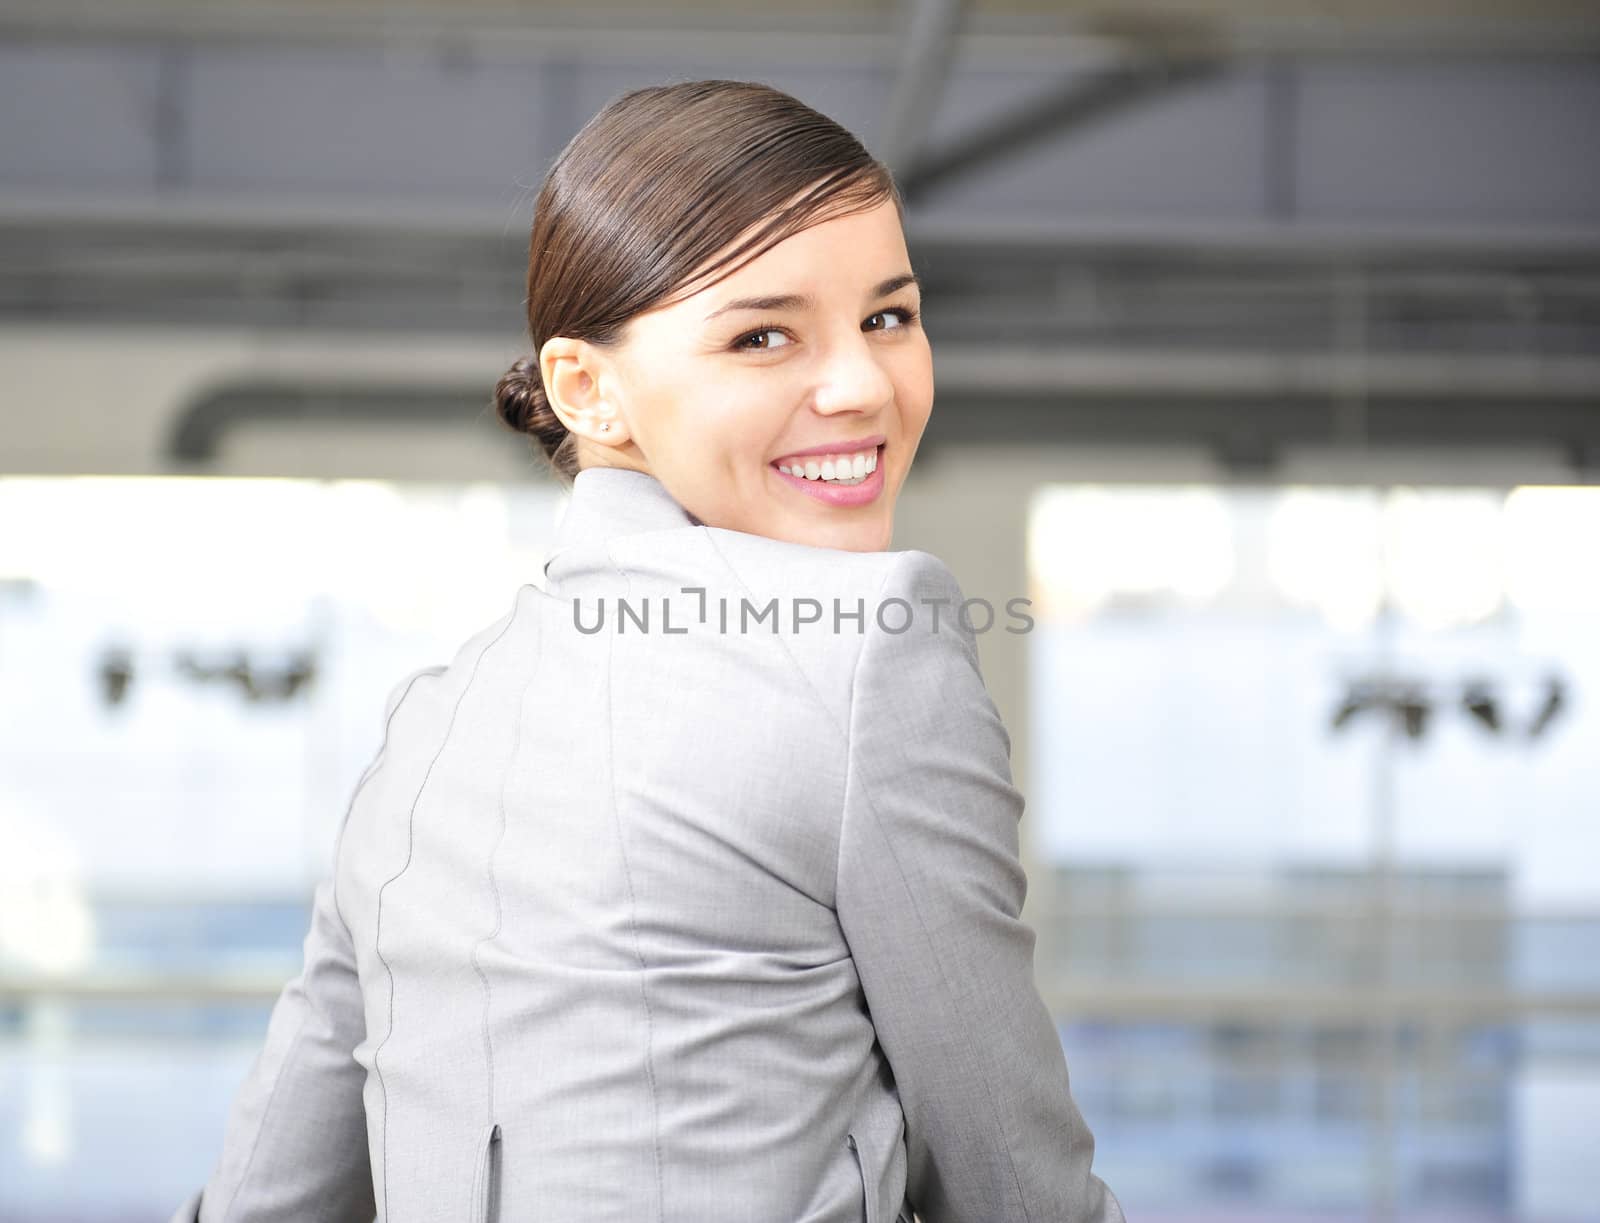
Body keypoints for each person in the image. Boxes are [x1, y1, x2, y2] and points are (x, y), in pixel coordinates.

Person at [174, 78, 1123, 1223]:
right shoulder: (864, 649)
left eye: (888, 315)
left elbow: (260, 1199)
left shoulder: (428, 725)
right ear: (586, 388)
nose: (864, 383)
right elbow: (1015, 1186)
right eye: (763, 334)